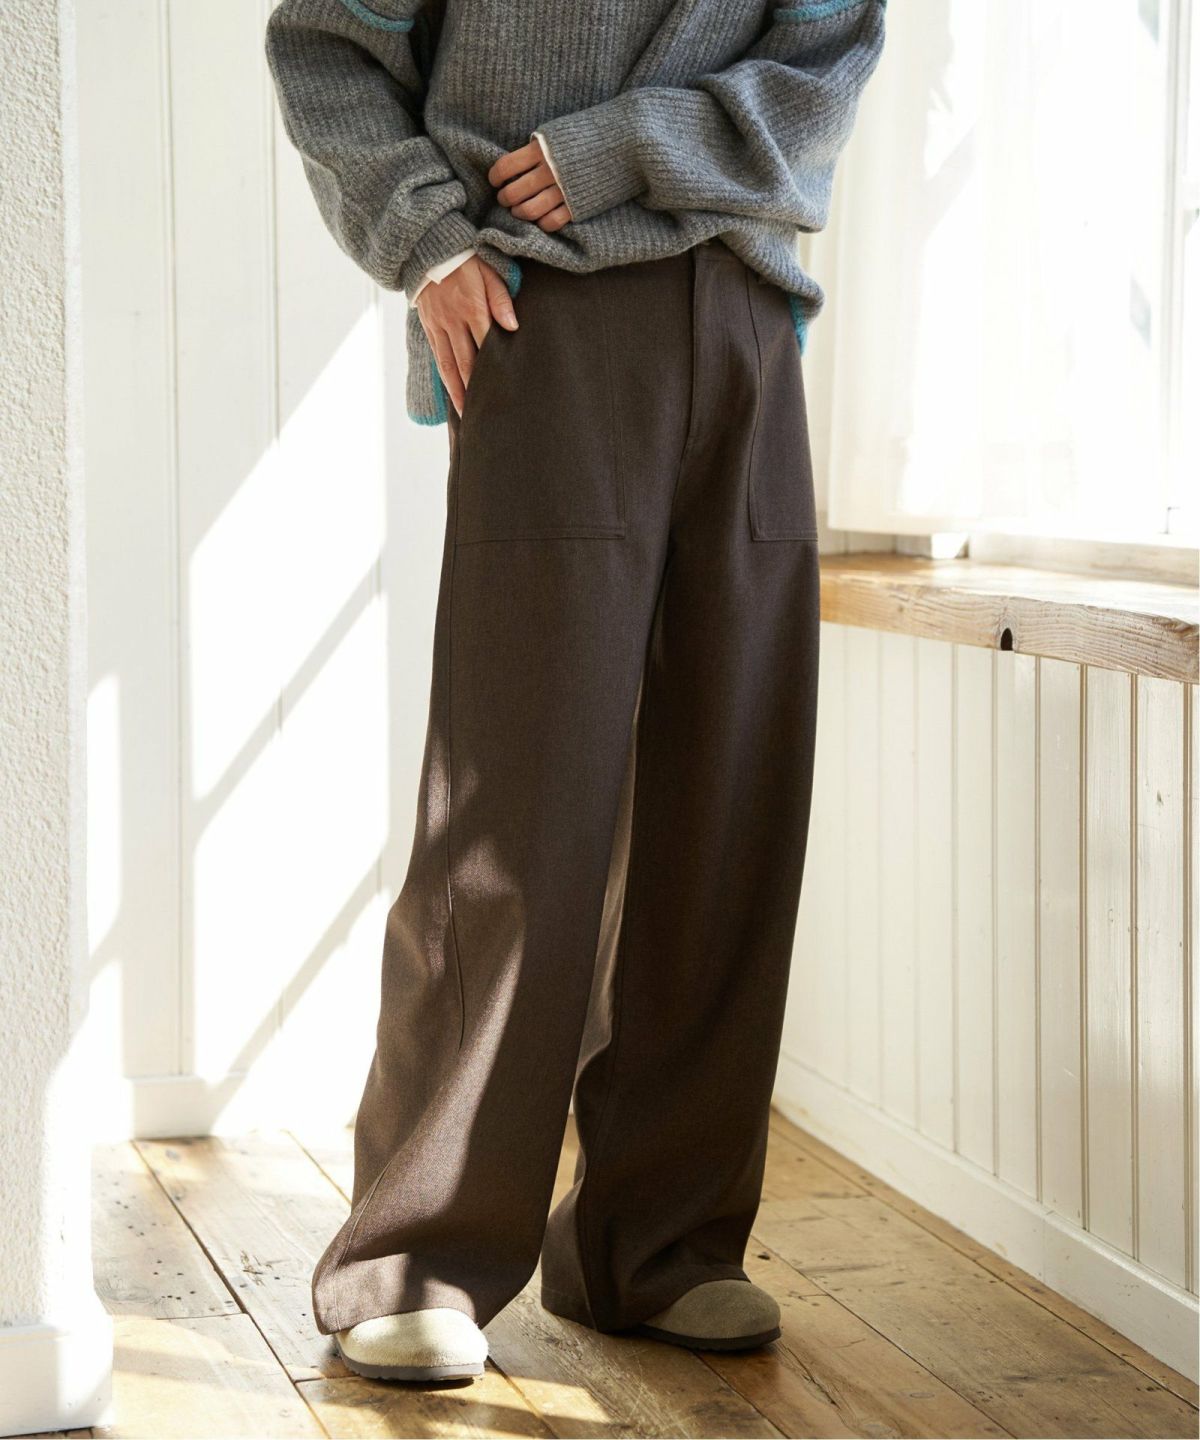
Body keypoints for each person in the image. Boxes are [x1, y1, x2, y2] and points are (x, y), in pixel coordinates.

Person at [265, 0, 885, 1384]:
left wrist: (629, 146)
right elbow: (326, 43)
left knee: (728, 796)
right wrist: (427, 241)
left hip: (747, 312)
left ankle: (656, 1245)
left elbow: (831, 53)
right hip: (543, 310)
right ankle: (418, 1253)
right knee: (515, 804)